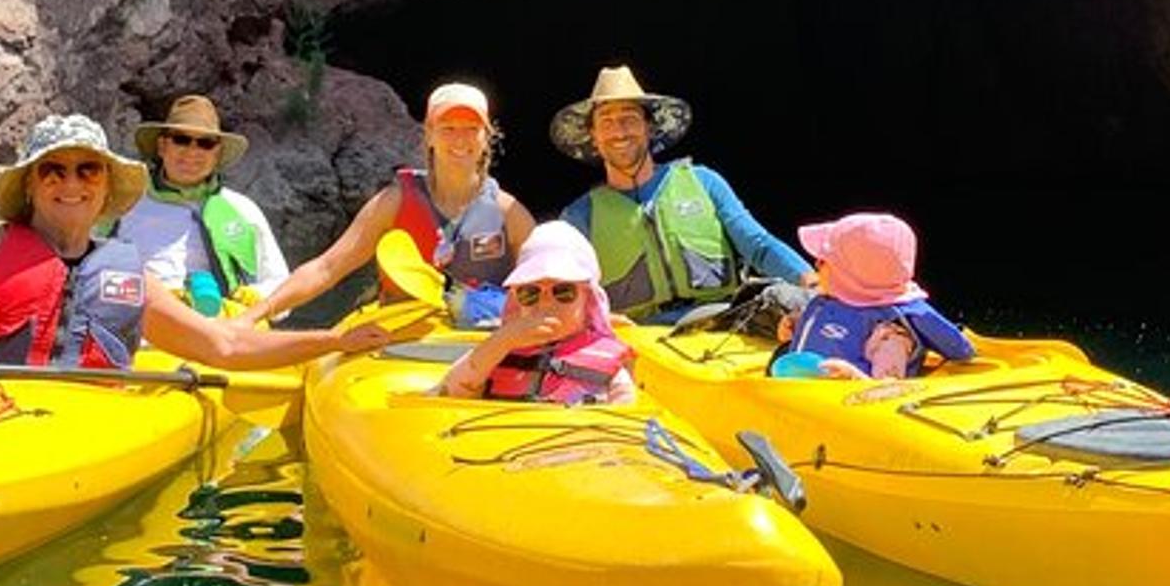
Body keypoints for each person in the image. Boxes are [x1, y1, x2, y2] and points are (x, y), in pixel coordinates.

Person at [0, 114, 388, 371]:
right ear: (29, 184)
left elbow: (223, 346)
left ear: (105, 187)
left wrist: (335, 340)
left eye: (87, 170)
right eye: (53, 170)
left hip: (96, 423)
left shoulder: (129, 274)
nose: (71, 184)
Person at [239, 82, 534, 325]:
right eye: (448, 128)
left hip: (477, 341)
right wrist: (254, 315)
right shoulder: (393, 203)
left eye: (471, 128)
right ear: (429, 135)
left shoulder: (509, 213)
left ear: (486, 137)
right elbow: (327, 268)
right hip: (405, 339)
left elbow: (552, 286)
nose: (460, 139)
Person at [553, 65, 816, 324]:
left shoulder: (704, 181)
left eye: (629, 119)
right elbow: (563, 291)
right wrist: (599, 321)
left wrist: (810, 281)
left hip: (721, 324)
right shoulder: (578, 216)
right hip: (636, 339)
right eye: (606, 122)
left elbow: (758, 246)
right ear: (593, 136)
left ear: (649, 127)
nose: (619, 132)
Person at [114, 94, 289, 309]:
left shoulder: (243, 210)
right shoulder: (123, 204)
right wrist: (159, 300)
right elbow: (93, 276)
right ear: (162, 146)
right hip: (141, 333)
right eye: (181, 139)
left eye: (205, 143)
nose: (192, 152)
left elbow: (281, 285)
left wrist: (256, 296)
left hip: (222, 329)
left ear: (216, 154)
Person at [441, 221, 637, 404]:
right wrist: (500, 342)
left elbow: (627, 416)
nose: (545, 302)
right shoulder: (497, 353)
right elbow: (450, 393)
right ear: (516, 302)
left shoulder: (611, 364)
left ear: (589, 302)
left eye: (563, 291)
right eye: (530, 293)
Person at [776, 212, 975, 379]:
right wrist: (800, 323)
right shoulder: (832, 301)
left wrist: (854, 377)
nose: (816, 266)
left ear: (853, 279)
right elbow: (830, 331)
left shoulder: (889, 333)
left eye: (824, 261)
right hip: (799, 394)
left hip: (844, 409)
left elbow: (888, 389)